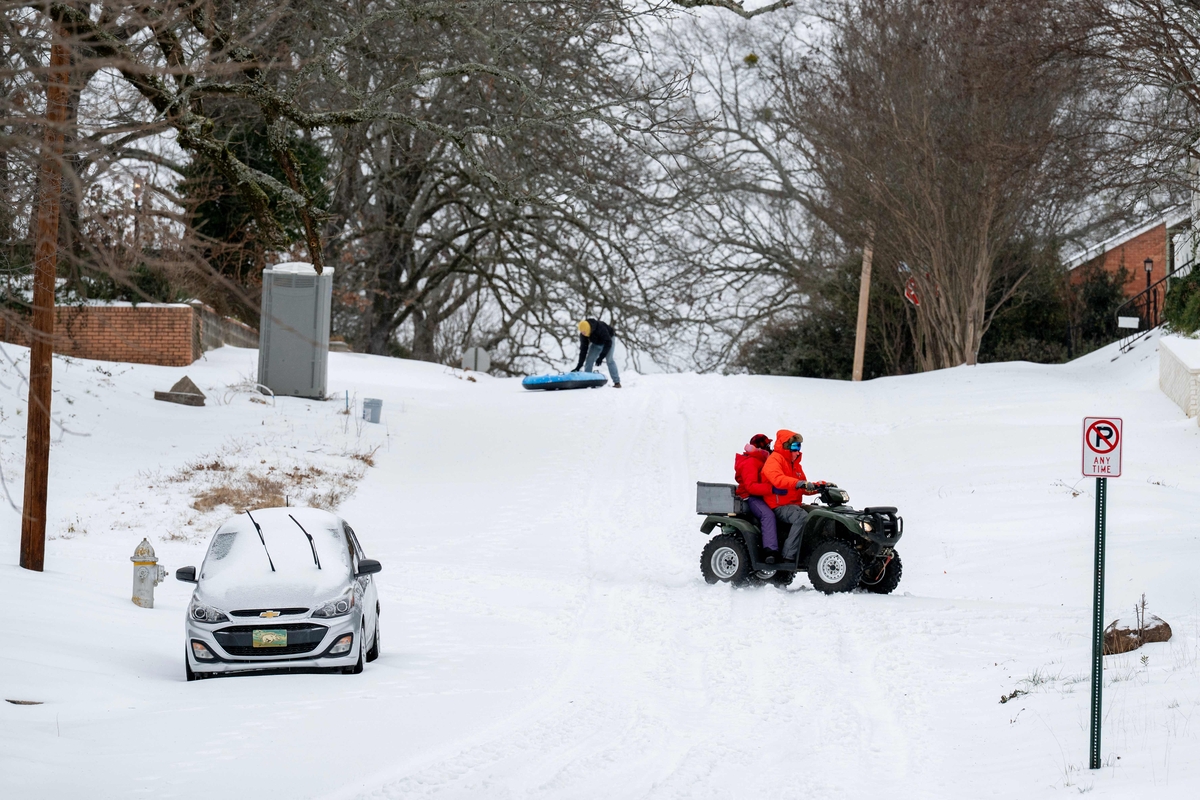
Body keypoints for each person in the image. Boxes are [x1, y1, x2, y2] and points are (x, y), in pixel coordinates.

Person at [762, 429, 824, 562]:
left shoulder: (796, 466)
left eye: (799, 447)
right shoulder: (774, 460)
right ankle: (788, 556)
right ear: (785, 446)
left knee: (820, 514)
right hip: (778, 506)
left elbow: (803, 488)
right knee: (801, 517)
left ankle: (813, 550)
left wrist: (819, 486)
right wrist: (799, 483)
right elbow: (778, 479)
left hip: (794, 504)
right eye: (795, 447)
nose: (798, 451)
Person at [733, 433, 780, 563]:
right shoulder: (751, 462)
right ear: (760, 447)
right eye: (767, 446)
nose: (770, 448)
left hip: (761, 495)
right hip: (750, 497)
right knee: (767, 515)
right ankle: (770, 551)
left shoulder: (761, 460)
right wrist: (772, 489)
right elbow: (750, 487)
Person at [574, 318, 620, 388]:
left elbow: (608, 343)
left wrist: (601, 357)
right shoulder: (583, 335)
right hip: (596, 343)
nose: (583, 333)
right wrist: (579, 365)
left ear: (587, 329)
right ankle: (587, 381)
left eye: (584, 332)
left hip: (609, 340)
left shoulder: (600, 328)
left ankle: (617, 383)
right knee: (589, 360)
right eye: (581, 332)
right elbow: (583, 350)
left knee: (609, 360)